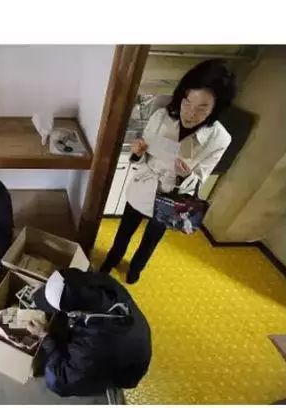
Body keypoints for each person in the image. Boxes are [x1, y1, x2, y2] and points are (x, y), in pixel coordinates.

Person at [100, 59, 236, 284]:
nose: (190, 114)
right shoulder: (161, 116)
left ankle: (136, 269)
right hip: (144, 185)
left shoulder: (220, 139)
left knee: (151, 239)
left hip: (172, 197)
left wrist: (185, 175)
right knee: (124, 230)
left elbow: (200, 178)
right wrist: (137, 153)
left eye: (202, 108)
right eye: (187, 103)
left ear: (216, 108)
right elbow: (142, 156)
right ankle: (111, 260)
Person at [28, 268, 152, 397]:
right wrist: (46, 289)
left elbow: (62, 381)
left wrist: (45, 337)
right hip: (135, 341)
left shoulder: (92, 347)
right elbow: (67, 288)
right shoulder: (107, 285)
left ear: (76, 312)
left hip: (126, 370)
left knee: (52, 380)